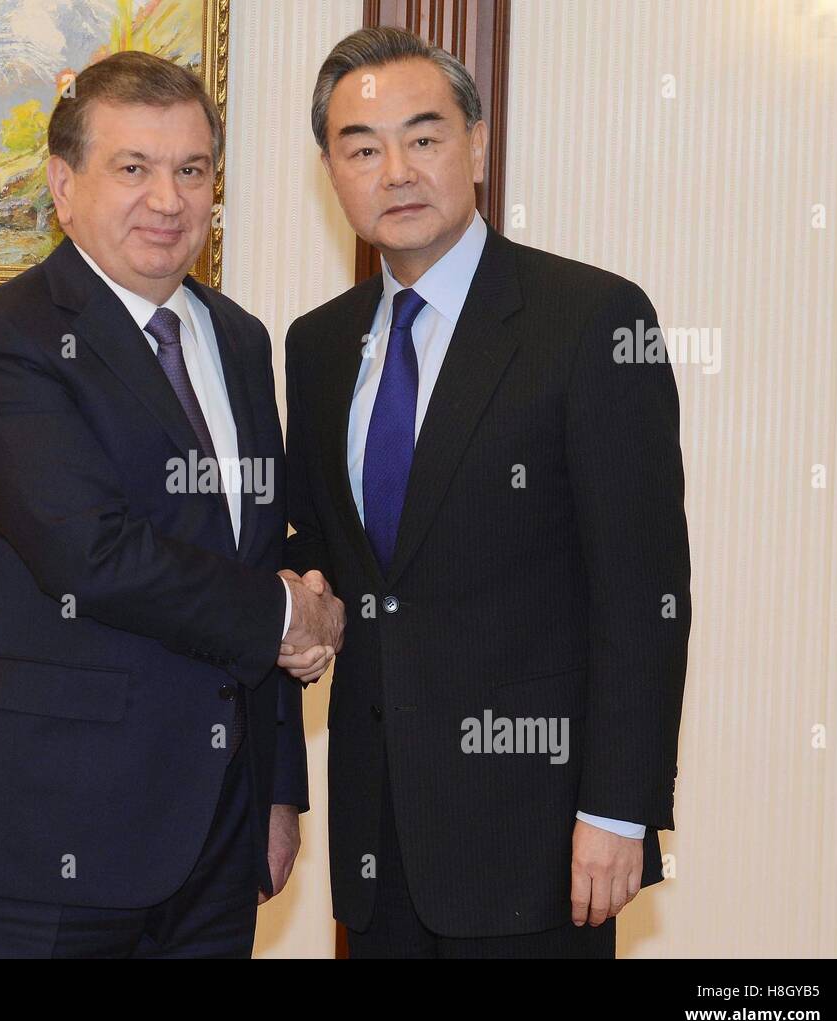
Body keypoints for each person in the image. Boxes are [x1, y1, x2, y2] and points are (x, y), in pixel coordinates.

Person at [0, 51, 343, 958]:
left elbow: (253, 558)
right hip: (35, 844)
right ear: (63, 184)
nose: (167, 199)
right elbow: (90, 554)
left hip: (214, 843)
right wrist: (290, 611)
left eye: (192, 168)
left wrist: (276, 789)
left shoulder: (241, 340)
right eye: (132, 168)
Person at [282, 27, 691, 958]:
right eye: (361, 147)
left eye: (423, 137)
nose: (395, 170)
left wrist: (619, 811)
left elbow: (644, 590)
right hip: (379, 837)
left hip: (541, 838)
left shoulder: (590, 319)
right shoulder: (316, 344)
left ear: (476, 144)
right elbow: (321, 544)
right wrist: (302, 602)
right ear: (331, 172)